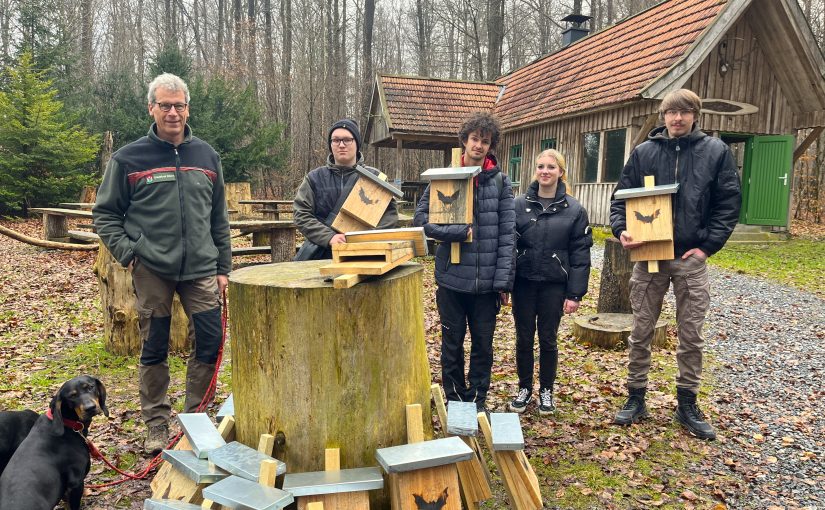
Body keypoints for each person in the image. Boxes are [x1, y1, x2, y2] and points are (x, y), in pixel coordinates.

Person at [93, 73, 231, 455]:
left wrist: (223, 268)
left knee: (211, 340)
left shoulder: (207, 156)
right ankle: (156, 424)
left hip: (202, 268)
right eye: (165, 105)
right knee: (154, 346)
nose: (173, 112)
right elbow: (105, 215)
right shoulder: (128, 158)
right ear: (151, 108)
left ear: (188, 108)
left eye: (179, 105)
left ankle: (195, 419)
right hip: (152, 269)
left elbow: (219, 217)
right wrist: (130, 252)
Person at [609, 89, 741, 440]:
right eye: (671, 112)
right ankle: (636, 396)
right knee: (641, 330)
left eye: (684, 112)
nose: (677, 118)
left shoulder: (715, 152)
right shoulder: (644, 153)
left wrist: (707, 246)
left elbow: (728, 203)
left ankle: (687, 403)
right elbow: (620, 200)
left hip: (689, 259)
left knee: (691, 334)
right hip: (649, 256)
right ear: (663, 116)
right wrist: (621, 230)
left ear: (695, 115)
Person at [414, 112, 515, 412]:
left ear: (491, 145)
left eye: (486, 141)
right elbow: (421, 220)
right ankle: (455, 397)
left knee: (483, 345)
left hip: (485, 285)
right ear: (464, 140)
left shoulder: (499, 182)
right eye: (475, 139)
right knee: (452, 343)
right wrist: (455, 232)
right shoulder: (443, 178)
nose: (479, 145)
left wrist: (503, 282)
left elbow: (508, 234)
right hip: (451, 279)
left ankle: (478, 398)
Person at [508, 149, 592, 415]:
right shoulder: (518, 205)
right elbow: (508, 247)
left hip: (553, 286)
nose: (545, 171)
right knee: (523, 338)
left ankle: (546, 390)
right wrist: (504, 284)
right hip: (523, 283)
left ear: (560, 172)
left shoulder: (574, 210)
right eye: (540, 166)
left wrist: (575, 294)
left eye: (551, 167)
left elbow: (580, 255)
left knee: (548, 339)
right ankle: (524, 387)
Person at [293, 118, 398, 260]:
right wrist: (329, 237)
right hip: (321, 254)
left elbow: (389, 217)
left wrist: (363, 240)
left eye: (347, 140)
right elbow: (302, 215)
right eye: (336, 140)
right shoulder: (314, 178)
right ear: (331, 145)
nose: (341, 145)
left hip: (364, 255)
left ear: (357, 143)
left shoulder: (375, 177)